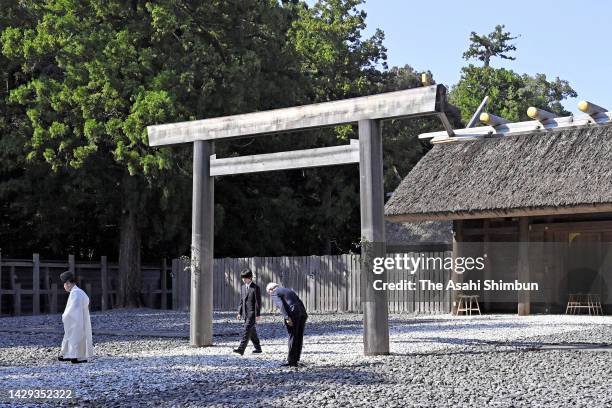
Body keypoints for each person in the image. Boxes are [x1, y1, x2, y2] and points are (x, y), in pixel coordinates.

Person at [266, 282, 307, 368]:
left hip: (293, 314)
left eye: (268, 293)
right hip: (302, 313)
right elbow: (299, 301)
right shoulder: (288, 290)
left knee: (292, 336)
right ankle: (296, 360)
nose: (270, 295)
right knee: (299, 337)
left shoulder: (274, 292)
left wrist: (287, 317)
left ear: (270, 290)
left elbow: (281, 305)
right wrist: (304, 315)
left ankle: (291, 361)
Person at [58, 271, 93, 364]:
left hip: (76, 321)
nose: (64, 286)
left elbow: (71, 310)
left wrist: (64, 316)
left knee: (73, 337)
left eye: (64, 284)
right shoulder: (80, 292)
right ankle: (71, 355)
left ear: (68, 283)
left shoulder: (75, 293)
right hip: (82, 320)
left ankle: (74, 356)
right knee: (76, 337)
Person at [233, 268, 262, 355]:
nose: (243, 280)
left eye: (245, 278)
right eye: (242, 278)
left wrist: (258, 314)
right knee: (252, 331)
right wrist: (239, 313)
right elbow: (241, 301)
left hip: (252, 313)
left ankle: (241, 349)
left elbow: (258, 302)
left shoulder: (255, 288)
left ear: (250, 278)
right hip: (245, 313)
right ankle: (258, 348)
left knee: (246, 330)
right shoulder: (242, 287)